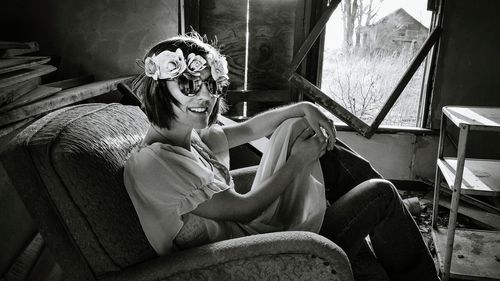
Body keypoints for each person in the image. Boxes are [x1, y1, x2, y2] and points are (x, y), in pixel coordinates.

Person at [124, 33, 439, 281]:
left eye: (210, 83)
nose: (206, 96)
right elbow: (245, 210)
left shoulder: (188, 138)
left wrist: (303, 108)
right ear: (159, 89)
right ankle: (402, 237)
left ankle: (383, 224)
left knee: (298, 128)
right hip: (259, 256)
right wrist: (298, 161)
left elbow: (248, 130)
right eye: (189, 84)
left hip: (254, 238)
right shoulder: (155, 164)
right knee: (379, 195)